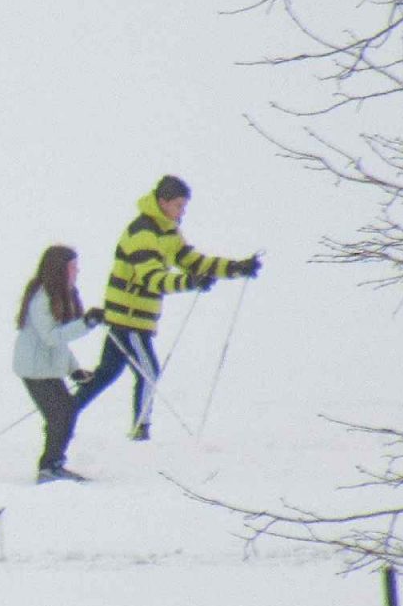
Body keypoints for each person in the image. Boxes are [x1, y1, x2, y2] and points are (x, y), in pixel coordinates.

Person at [73, 175, 262, 441]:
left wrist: (236, 268)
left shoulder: (168, 232)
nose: (182, 212)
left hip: (136, 318)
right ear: (162, 202)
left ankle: (65, 414)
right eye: (178, 206)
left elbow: (193, 262)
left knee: (107, 374)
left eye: (184, 206)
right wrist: (190, 282)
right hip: (129, 318)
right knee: (148, 371)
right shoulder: (143, 233)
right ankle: (141, 428)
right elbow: (151, 279)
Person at [14, 245, 106, 483]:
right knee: (62, 414)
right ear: (59, 269)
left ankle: (53, 464)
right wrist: (86, 323)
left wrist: (74, 369)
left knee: (64, 413)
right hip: (35, 370)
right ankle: (50, 467)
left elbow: (59, 343)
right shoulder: (41, 298)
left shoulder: (61, 295)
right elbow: (51, 337)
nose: (77, 271)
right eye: (73, 267)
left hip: (46, 369)